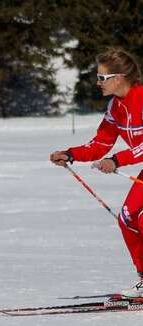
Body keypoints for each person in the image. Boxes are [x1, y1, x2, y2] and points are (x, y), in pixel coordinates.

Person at [50, 47, 143, 298]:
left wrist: (117, 160)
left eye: (102, 78)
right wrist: (70, 154)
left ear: (119, 78)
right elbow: (101, 143)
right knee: (127, 218)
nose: (98, 82)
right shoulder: (115, 106)